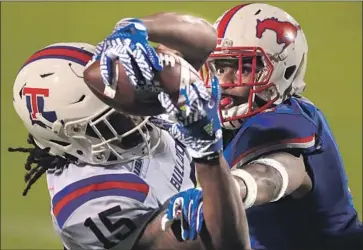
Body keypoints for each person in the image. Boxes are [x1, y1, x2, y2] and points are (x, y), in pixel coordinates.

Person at [10, 12, 251, 250]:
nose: (136, 115)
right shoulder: (89, 204)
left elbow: (206, 39)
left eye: (124, 103)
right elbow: (226, 244)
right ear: (70, 138)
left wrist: (136, 27)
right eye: (113, 119)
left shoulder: (131, 98)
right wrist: (207, 154)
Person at [172, 3, 362, 250]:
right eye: (220, 68)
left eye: (246, 68)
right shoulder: (217, 121)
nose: (226, 83)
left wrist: (231, 188)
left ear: (285, 70)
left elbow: (275, 175)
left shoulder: (286, 121)